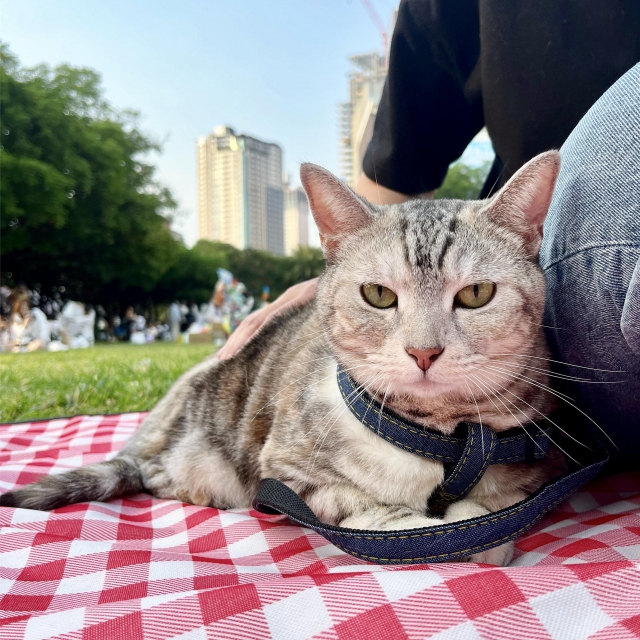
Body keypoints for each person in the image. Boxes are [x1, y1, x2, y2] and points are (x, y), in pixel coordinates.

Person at [218, 3, 640, 470]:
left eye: (473, 294)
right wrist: (347, 268)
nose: (424, 348)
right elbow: (399, 167)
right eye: (380, 294)